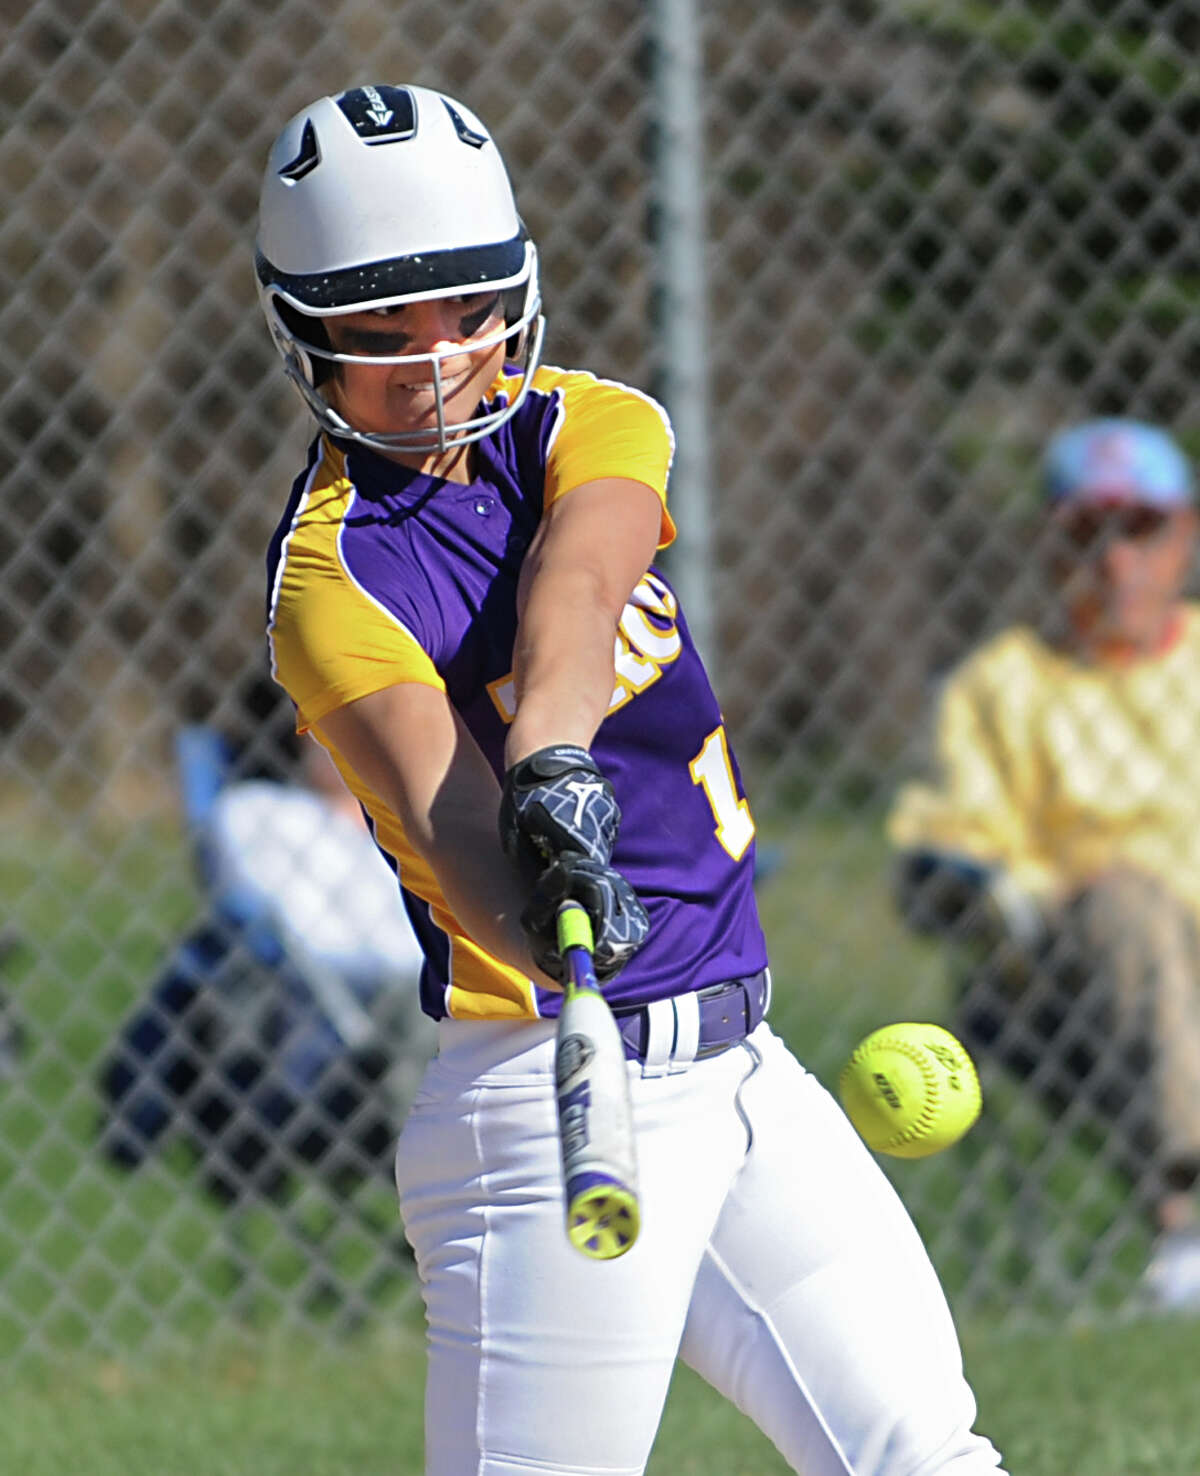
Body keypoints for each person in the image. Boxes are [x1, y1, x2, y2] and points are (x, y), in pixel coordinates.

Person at [256, 83, 1006, 1475]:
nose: (432, 364)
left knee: (927, 1452)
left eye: (467, 311)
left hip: (745, 1072)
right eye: (377, 335)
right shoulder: (332, 576)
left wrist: (550, 752)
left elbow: (583, 581)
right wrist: (539, 892)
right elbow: (443, 814)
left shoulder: (591, 424)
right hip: (547, 1090)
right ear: (307, 341)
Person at [887, 418, 1200, 1309]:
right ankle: (1184, 1219)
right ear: (1050, 550)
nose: (1116, 562)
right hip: (1064, 974)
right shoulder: (1003, 683)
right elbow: (955, 850)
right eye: (1086, 535)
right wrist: (1036, 894)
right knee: (1133, 910)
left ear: (1184, 540)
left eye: (1140, 531)